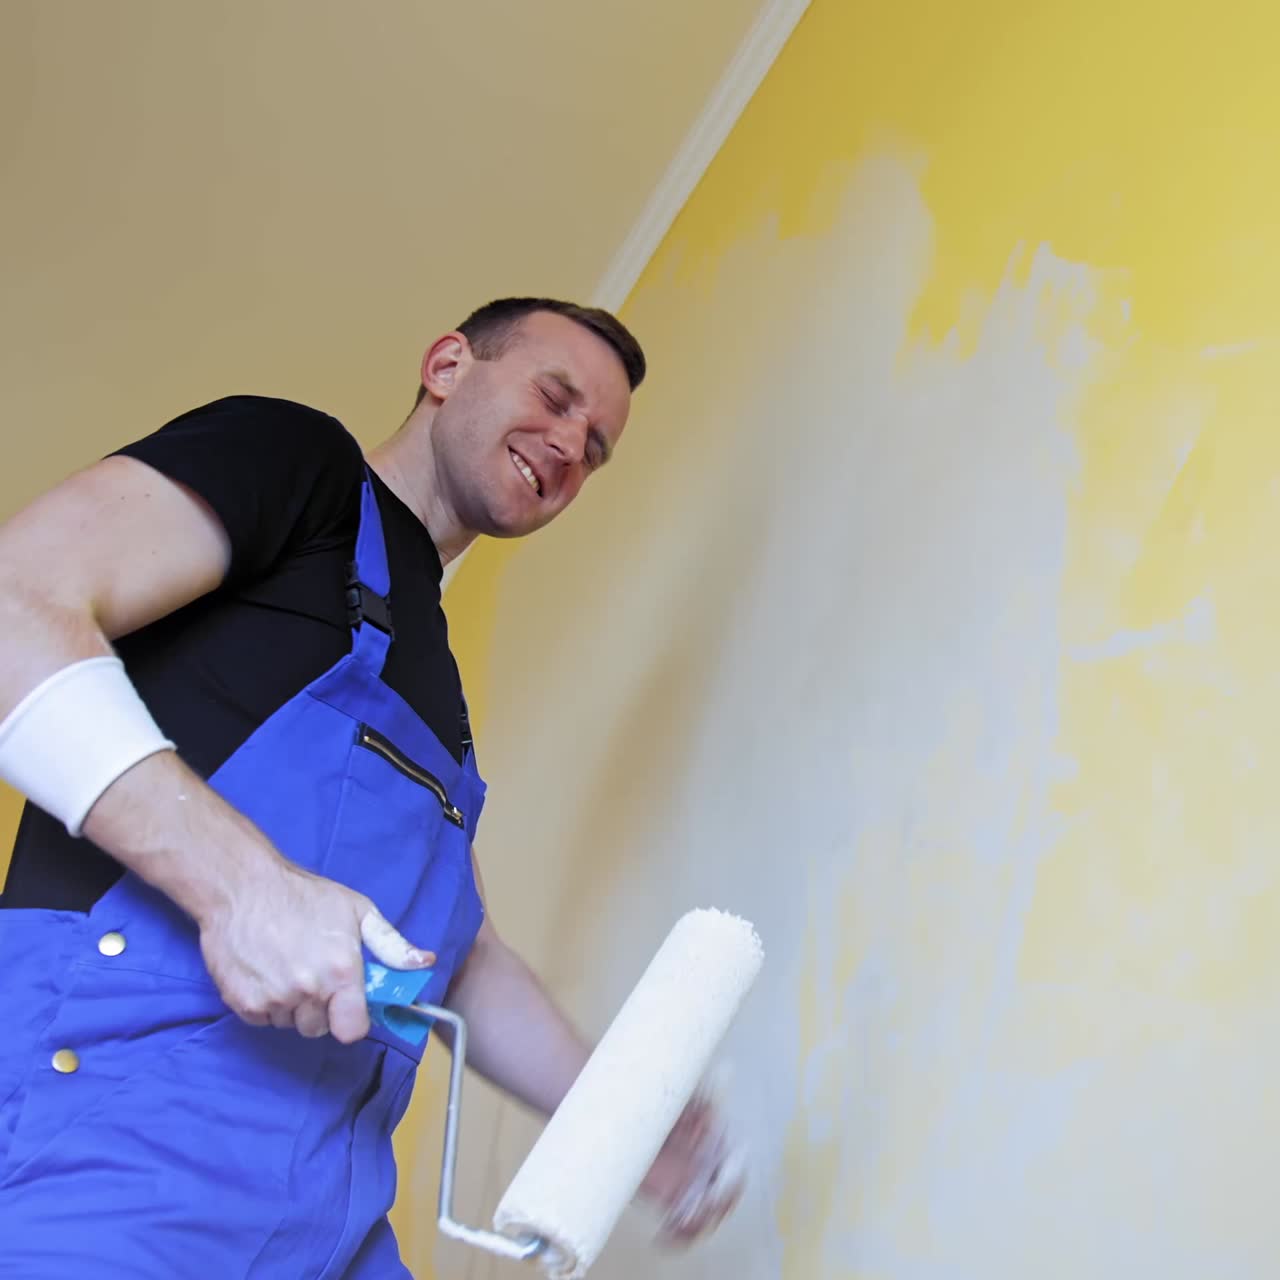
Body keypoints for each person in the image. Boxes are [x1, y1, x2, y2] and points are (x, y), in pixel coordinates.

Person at [0, 297, 741, 1275]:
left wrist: (624, 1117)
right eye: (554, 398)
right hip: (110, 1159)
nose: (569, 444)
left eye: (594, 445)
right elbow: (18, 605)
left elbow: (454, 958)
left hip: (329, 1220)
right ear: (445, 365)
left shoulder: (441, 693)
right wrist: (244, 888)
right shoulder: (293, 466)